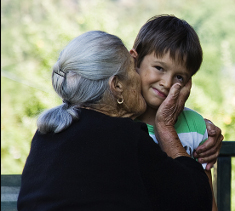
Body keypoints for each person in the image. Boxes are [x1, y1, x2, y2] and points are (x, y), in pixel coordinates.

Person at [17, 30, 216, 210]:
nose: (139, 78)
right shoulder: (123, 136)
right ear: (117, 86)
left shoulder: (47, 133)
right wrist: (165, 126)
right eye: (133, 69)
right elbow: (196, 201)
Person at [129, 15, 218, 210]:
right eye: (159, 68)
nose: (167, 83)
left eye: (179, 76)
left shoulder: (195, 126)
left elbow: (206, 200)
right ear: (134, 61)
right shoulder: (118, 120)